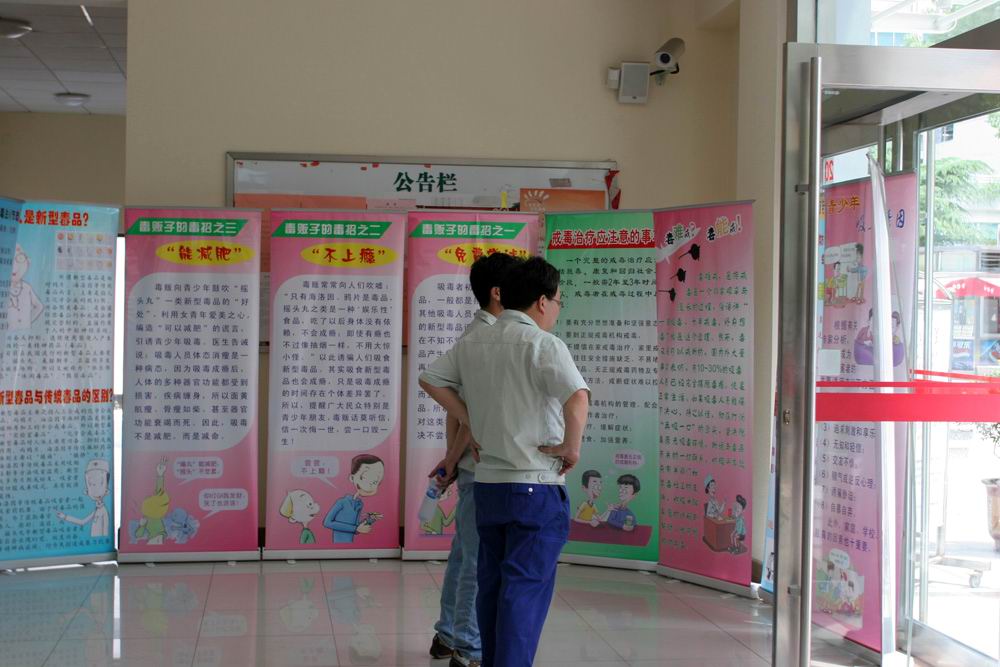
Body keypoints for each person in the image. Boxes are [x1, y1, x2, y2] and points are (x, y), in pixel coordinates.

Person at [420, 256, 590, 667]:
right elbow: (577, 397)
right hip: (536, 486)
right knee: (524, 590)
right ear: (542, 301)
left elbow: (431, 379)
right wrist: (571, 448)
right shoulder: (543, 344)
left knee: (492, 584)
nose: (557, 308)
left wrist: (471, 420)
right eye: (559, 300)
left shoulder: (474, 341)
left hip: (490, 485)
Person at [427, 251, 521, 667]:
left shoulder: (478, 333)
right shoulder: (488, 338)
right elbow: (470, 411)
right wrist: (453, 457)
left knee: (465, 553)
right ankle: (467, 646)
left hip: (469, 463)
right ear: (498, 293)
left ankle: (448, 635)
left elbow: (459, 409)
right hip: (479, 467)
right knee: (476, 560)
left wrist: (451, 457)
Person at [323, 454, 384, 543]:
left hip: (350, 544)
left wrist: (371, 520)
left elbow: (356, 529)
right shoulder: (342, 502)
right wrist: (355, 528)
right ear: (352, 477)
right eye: (365, 477)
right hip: (338, 544)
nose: (371, 485)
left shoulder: (359, 504)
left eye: (375, 481)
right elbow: (327, 523)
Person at [55, 459, 111, 538]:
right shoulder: (96, 510)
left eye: (100, 483)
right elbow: (82, 522)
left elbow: (105, 533)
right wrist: (65, 517)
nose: (95, 489)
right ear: (86, 491)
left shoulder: (103, 511)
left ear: (107, 490)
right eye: (91, 484)